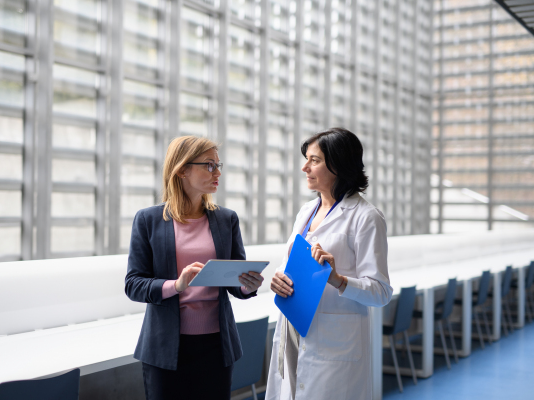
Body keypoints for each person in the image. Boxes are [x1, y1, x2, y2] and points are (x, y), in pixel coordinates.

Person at [125, 135, 264, 400]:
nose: (218, 172)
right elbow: (133, 284)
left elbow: (235, 282)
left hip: (216, 347)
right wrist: (176, 285)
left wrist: (247, 285)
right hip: (165, 348)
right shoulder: (148, 220)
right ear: (182, 170)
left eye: (218, 164)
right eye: (209, 165)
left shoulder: (226, 219)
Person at [266, 128, 393, 400]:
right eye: (307, 159)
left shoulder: (366, 217)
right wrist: (278, 277)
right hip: (293, 330)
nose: (305, 167)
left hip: (334, 342)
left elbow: (381, 292)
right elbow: (289, 263)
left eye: (314, 160)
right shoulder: (306, 212)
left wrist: (338, 280)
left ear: (338, 164)